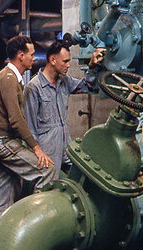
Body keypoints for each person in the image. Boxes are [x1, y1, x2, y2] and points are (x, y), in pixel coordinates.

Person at [0, 35, 54, 221]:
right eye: (31, 54)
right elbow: (15, 119)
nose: (34, 58)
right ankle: (34, 224)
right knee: (47, 171)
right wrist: (36, 148)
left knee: (6, 189)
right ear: (21, 56)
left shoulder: (9, 77)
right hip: (5, 142)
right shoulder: (8, 79)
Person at [25, 39, 106, 181]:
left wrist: (92, 66)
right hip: (47, 150)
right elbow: (30, 127)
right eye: (65, 61)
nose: (68, 65)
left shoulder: (64, 81)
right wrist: (37, 152)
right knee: (47, 188)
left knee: (78, 180)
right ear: (53, 59)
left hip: (65, 144)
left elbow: (89, 87)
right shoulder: (34, 87)